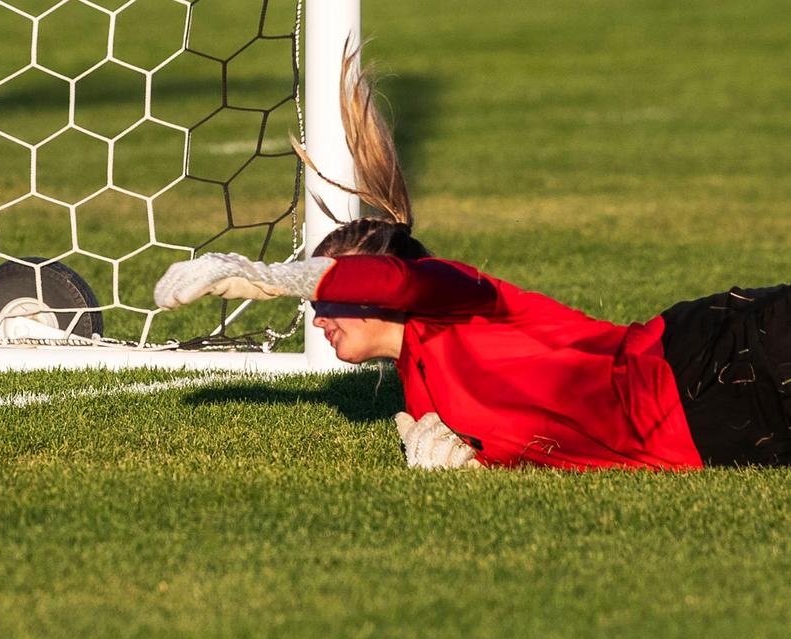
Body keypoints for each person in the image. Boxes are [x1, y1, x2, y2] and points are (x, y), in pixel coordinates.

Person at [152, 50, 791, 471]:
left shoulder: (457, 298)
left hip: (705, 360)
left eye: (327, 294)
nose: (317, 314)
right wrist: (470, 464)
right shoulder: (420, 394)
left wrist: (267, 279)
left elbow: (401, 279)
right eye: (315, 299)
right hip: (712, 432)